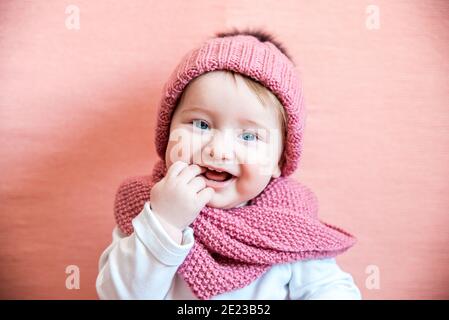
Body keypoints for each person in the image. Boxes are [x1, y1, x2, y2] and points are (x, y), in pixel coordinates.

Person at [96, 29, 362, 300]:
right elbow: (120, 295)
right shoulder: (149, 210)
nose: (218, 150)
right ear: (167, 135)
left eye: (248, 136)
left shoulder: (291, 229)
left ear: (279, 161)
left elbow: (331, 290)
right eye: (201, 124)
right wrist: (165, 223)